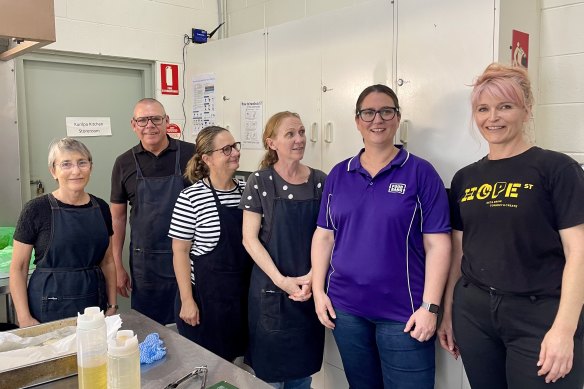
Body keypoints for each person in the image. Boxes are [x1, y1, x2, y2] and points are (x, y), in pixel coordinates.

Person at [438, 63, 584, 389]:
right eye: (483, 109)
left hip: (540, 315)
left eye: (506, 106)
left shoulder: (557, 169)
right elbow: (459, 251)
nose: (493, 118)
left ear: (526, 110)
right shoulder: (465, 178)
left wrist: (564, 329)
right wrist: (447, 310)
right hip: (474, 313)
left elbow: (580, 252)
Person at [311, 84, 451, 389]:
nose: (378, 119)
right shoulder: (339, 174)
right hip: (346, 310)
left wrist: (431, 307)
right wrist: (320, 292)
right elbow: (324, 236)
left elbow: (438, 243)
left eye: (386, 111)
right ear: (358, 120)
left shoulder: (420, 173)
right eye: (369, 112)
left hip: (404, 314)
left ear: (398, 118)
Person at [240, 111, 326, 389]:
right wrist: (282, 281)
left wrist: (315, 276)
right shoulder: (260, 182)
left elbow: (329, 236)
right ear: (271, 143)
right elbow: (249, 239)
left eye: (301, 132)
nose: (299, 139)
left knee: (302, 377)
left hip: (309, 293)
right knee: (270, 379)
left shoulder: (320, 182)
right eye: (290, 134)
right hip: (271, 293)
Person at [10, 138, 117, 327]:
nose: (76, 171)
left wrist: (113, 304)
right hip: (47, 306)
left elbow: (108, 261)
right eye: (66, 164)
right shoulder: (35, 210)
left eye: (82, 162)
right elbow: (18, 268)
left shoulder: (101, 207)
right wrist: (24, 317)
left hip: (93, 305)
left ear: (90, 167)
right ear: (53, 171)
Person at [168, 126, 252, 361]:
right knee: (205, 370)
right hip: (204, 303)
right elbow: (180, 252)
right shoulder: (191, 197)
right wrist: (187, 300)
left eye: (235, 146)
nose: (235, 152)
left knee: (236, 371)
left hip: (240, 300)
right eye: (226, 149)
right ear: (207, 159)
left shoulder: (247, 193)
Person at [110, 98, 195, 324]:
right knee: (150, 330)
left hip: (190, 257)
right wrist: (117, 265)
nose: (150, 125)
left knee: (191, 327)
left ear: (167, 121)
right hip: (146, 264)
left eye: (156, 119)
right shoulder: (124, 163)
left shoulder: (192, 155)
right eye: (142, 120)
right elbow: (117, 218)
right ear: (133, 124)